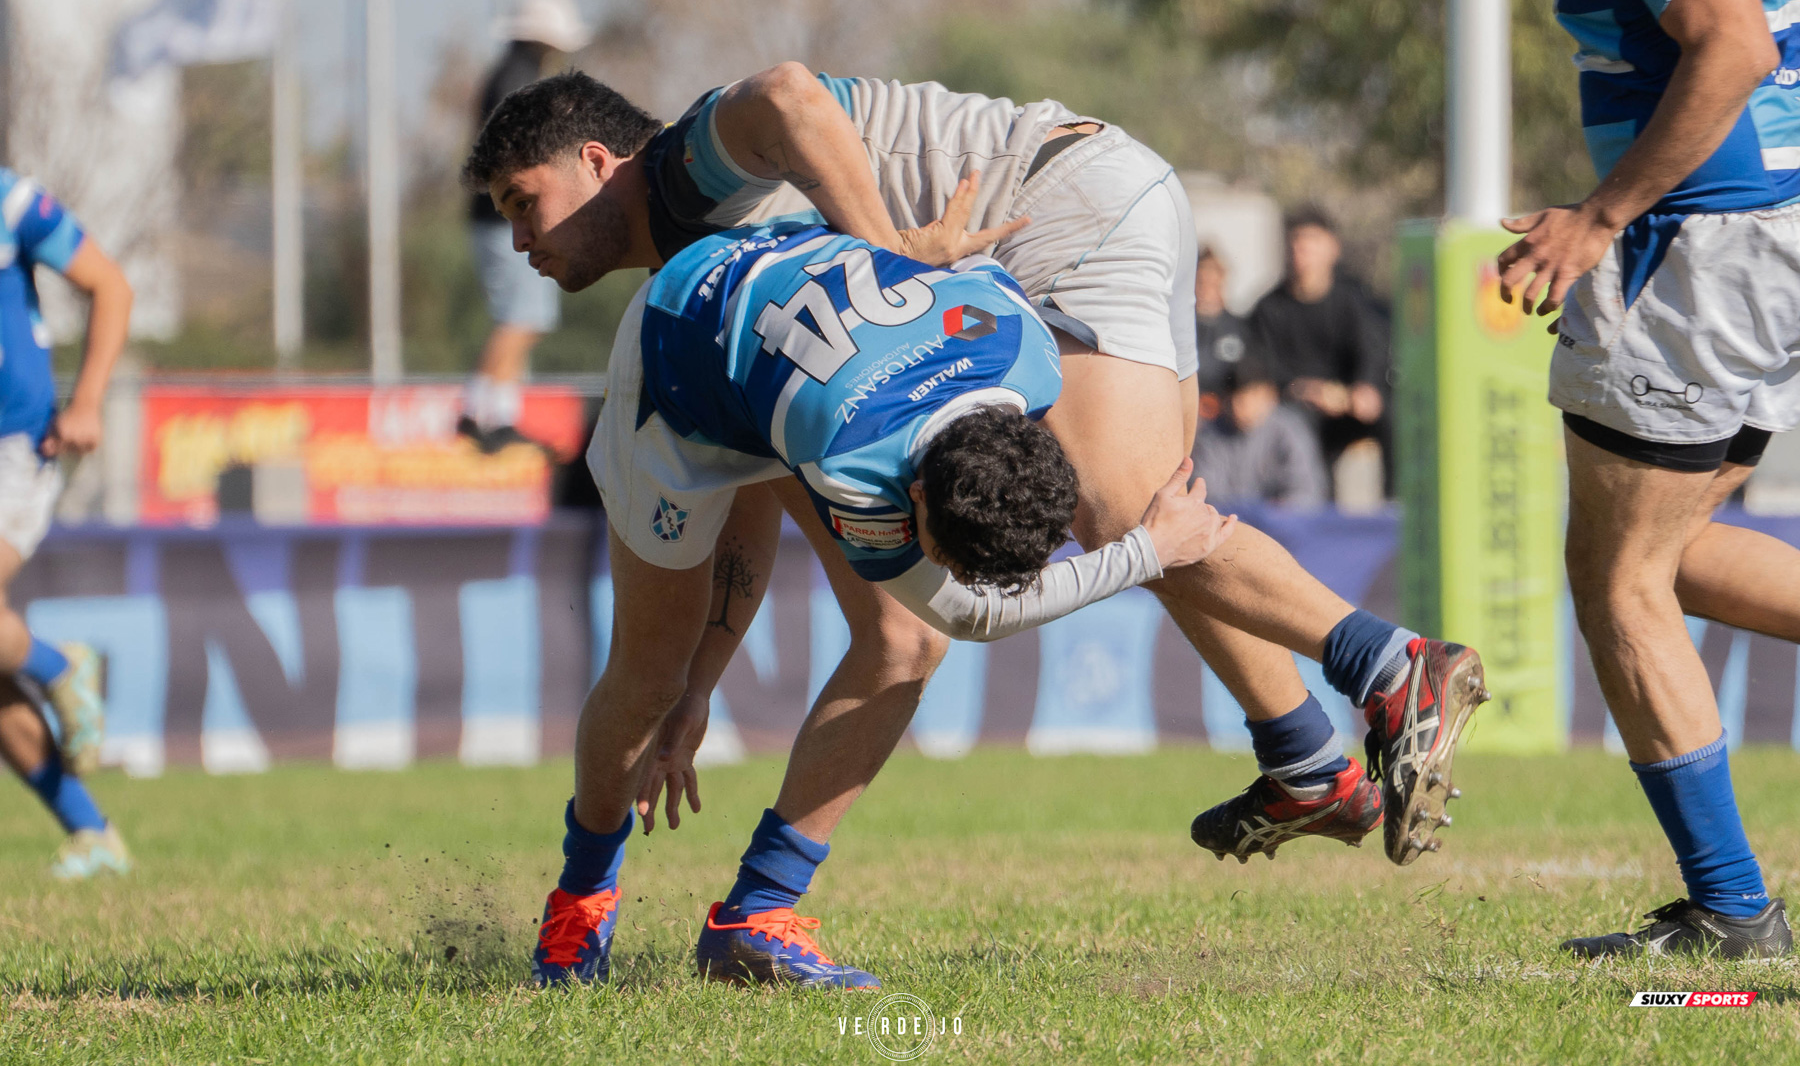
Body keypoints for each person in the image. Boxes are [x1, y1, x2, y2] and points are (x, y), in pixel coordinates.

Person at [463, 70, 1488, 987]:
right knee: (1125, 523)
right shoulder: (993, 348)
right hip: (1059, 208)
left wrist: (891, 250)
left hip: (1045, 210)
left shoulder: (688, 180)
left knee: (1108, 527)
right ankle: (1324, 728)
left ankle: (1374, 677)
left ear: (599, 161)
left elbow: (787, 97)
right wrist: (693, 681)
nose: (521, 240)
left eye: (523, 203)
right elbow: (759, 482)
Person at [526, 216, 1236, 986]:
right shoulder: (856, 465)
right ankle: (582, 896)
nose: (946, 570)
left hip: (805, 348)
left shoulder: (1027, 353)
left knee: (903, 643)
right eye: (939, 545)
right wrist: (1147, 552)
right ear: (916, 490)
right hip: (681, 344)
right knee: (652, 677)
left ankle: (755, 916)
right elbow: (971, 615)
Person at [1498, 0, 1800, 960]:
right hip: (1752, 234)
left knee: (1619, 579)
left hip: (1704, 250)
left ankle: (1731, 912)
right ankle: (1726, 904)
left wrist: (1598, 216)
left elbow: (1737, 43)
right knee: (1662, 554)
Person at [0, 168, 133, 879]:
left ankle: (57, 661)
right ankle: (92, 832)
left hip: (14, 447)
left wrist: (86, 401)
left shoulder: (7, 199)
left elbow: (111, 284)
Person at [459, 0, 591, 450]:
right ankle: (477, 411)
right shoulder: (518, 82)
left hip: (503, 215)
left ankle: (500, 415)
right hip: (507, 218)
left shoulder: (512, 74)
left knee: (525, 316)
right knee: (520, 317)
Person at [1248, 208, 1390, 480]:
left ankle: (1396, 504)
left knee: (1390, 415)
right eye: (1296, 240)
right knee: (1295, 426)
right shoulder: (1268, 309)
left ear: (1332, 248)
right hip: (1298, 406)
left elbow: (1371, 350)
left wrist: (1365, 386)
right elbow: (1265, 367)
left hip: (1346, 405)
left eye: (1311, 240)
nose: (1301, 249)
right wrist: (1305, 390)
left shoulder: (1353, 301)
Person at [1192, 353, 1328, 509]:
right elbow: (1206, 493)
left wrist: (1271, 515)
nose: (1238, 407)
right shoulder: (1210, 434)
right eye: (1233, 398)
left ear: (1269, 395)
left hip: (1282, 527)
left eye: (1248, 397)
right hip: (1228, 525)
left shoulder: (1289, 430)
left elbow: (1306, 492)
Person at [1191, 246, 1251, 421]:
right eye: (1200, 282)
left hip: (1229, 415)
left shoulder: (1239, 328)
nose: (1205, 290)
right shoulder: (1180, 328)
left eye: (1212, 282)